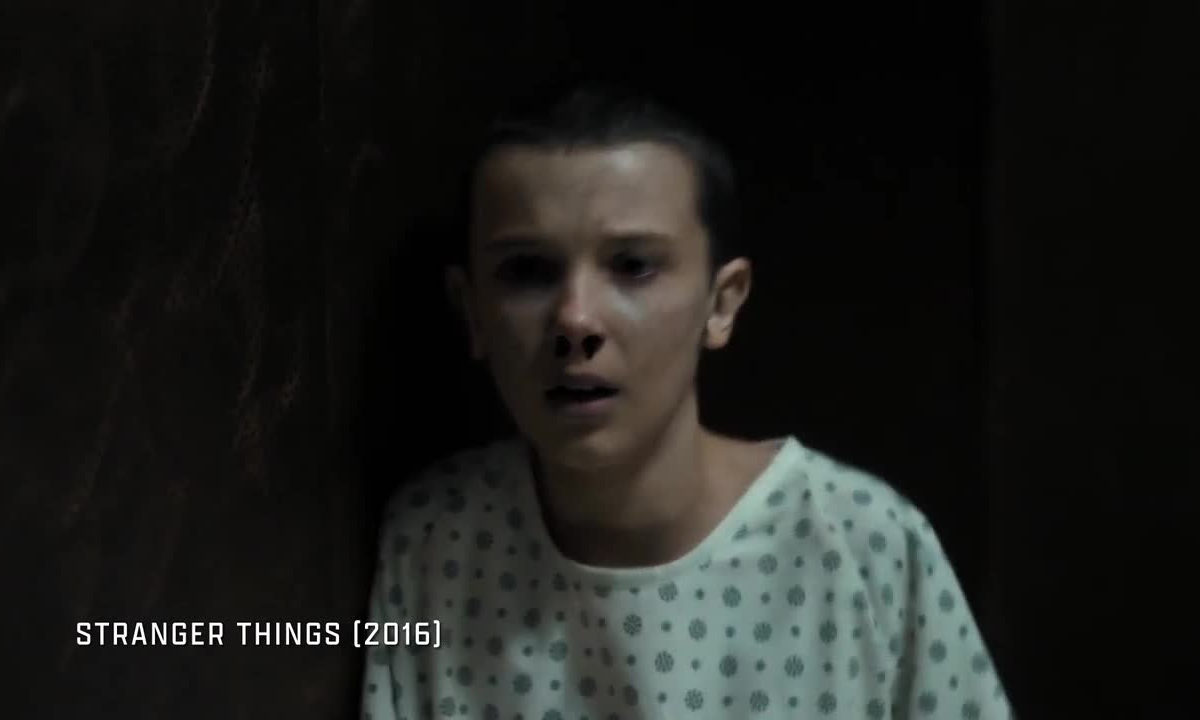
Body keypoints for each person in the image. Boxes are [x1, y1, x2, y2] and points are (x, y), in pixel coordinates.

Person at [360, 80, 1012, 720]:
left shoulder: (862, 546)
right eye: (527, 271)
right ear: (471, 310)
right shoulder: (437, 542)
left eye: (633, 266)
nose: (575, 319)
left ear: (721, 302)